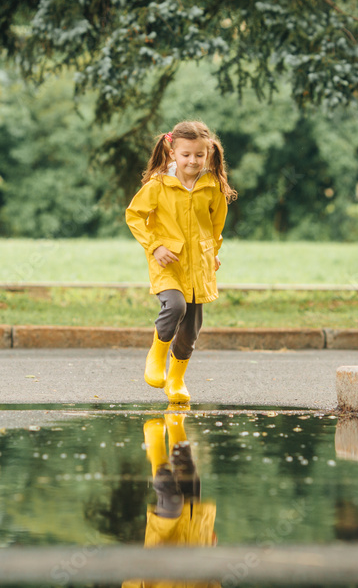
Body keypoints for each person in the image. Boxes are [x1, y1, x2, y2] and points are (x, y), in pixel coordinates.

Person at [125, 121, 237, 404]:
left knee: (190, 331)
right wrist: (155, 246)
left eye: (199, 155)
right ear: (172, 152)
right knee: (175, 306)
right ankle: (157, 353)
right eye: (186, 154)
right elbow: (134, 215)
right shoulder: (159, 185)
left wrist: (213, 253)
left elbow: (215, 227)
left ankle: (175, 379)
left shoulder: (213, 186)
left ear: (208, 153)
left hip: (198, 265)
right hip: (167, 263)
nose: (193, 160)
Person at [122, 412, 218, 588]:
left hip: (162, 549)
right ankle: (175, 421)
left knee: (172, 500)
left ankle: (155, 444)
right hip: (196, 545)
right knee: (188, 473)